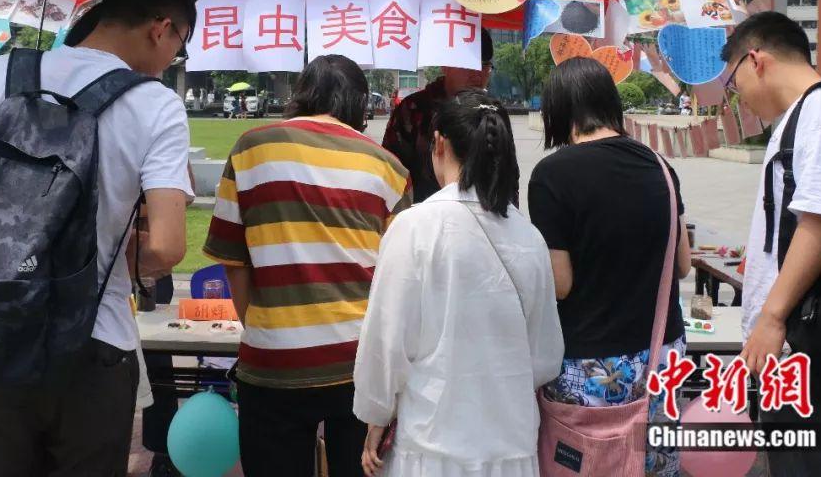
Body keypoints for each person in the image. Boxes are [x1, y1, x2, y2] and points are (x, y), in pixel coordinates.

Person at [0, 0, 195, 477]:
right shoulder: (156, 105)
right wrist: (123, 244)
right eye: (179, 46)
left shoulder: (3, 73)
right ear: (161, 29)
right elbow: (168, 246)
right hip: (93, 343)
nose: (171, 60)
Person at [203, 54, 411, 477]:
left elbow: (234, 263)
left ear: (302, 94)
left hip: (273, 363)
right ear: (359, 103)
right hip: (360, 361)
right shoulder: (391, 168)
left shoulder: (251, 149)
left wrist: (262, 326)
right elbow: (399, 281)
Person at [354, 90, 563, 477]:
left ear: (439, 144)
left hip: (432, 445)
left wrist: (376, 416)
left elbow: (385, 342)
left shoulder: (415, 228)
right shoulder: (528, 236)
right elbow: (545, 355)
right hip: (510, 446)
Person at [720, 11, 821, 476]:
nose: (739, 97)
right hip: (802, 333)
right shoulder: (808, 114)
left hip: (805, 336)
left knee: (807, 462)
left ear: (755, 60)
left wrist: (772, 317)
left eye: (734, 83)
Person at [527, 57, 691, 477]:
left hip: (592, 365)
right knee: (652, 467)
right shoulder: (660, 167)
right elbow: (683, 265)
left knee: (589, 464)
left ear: (558, 110)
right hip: (661, 354)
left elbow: (560, 284)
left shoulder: (552, 175)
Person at [383, 29, 493, 203]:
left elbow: (507, 177)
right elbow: (390, 173)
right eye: (469, 64)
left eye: (485, 65)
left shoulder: (493, 112)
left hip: (484, 215)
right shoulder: (413, 110)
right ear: (445, 65)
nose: (477, 73)